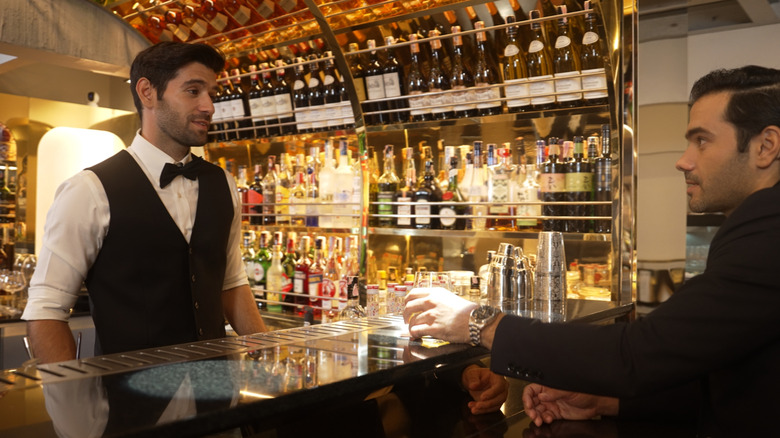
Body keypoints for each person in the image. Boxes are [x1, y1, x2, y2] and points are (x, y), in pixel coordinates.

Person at [404, 65, 780, 436]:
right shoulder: (757, 228)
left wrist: (480, 324)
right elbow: (732, 384)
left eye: (702, 140)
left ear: (766, 147)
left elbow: (637, 354)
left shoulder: (768, 237)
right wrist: (604, 403)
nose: (684, 160)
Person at [22, 42, 267, 363]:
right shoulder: (89, 190)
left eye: (211, 93)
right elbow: (46, 309)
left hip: (217, 397)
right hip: (129, 403)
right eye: (193, 91)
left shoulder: (222, 183)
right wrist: (70, 399)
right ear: (147, 93)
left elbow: (232, 283)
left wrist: (270, 359)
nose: (209, 106)